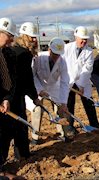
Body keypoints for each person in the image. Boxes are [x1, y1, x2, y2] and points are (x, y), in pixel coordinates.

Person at [11, 21, 42, 160]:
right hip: (14, 95)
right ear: (23, 36)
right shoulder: (23, 54)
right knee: (19, 126)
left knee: (19, 126)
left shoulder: (16, 50)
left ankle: (21, 154)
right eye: (31, 37)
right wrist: (34, 96)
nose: (34, 40)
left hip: (14, 94)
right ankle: (22, 154)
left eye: (35, 37)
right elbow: (26, 78)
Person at [30, 37, 69, 144]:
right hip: (38, 86)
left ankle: (63, 134)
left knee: (60, 110)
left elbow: (65, 82)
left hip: (53, 87)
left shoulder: (62, 62)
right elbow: (32, 76)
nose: (56, 57)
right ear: (49, 50)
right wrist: (39, 89)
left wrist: (64, 102)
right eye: (55, 54)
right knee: (37, 110)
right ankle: (35, 137)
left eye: (58, 55)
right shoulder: (38, 58)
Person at [63, 26, 99, 135]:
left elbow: (87, 69)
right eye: (81, 39)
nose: (83, 41)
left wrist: (82, 85)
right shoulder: (66, 48)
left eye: (85, 39)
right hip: (68, 80)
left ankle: (94, 123)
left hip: (82, 79)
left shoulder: (89, 51)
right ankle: (69, 128)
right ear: (76, 37)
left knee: (88, 100)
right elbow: (60, 64)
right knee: (69, 104)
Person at [0, 17, 17, 178]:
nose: (11, 39)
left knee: (5, 133)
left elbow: (6, 80)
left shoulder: (3, 53)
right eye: (9, 35)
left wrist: (6, 98)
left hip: (1, 101)